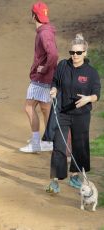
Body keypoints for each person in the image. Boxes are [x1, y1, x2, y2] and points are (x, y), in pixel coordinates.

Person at [46, 34, 101, 193]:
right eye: (72, 52)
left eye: (78, 53)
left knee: (80, 146)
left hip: (81, 115)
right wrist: (54, 89)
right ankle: (55, 181)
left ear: (85, 53)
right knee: (59, 146)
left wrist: (88, 99)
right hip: (63, 112)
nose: (74, 56)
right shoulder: (63, 65)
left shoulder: (91, 73)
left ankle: (75, 176)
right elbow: (55, 80)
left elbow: (97, 94)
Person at [19, 1, 58, 153]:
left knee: (29, 107)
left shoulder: (43, 33)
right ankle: (49, 140)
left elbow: (53, 54)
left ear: (34, 15)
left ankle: (36, 144)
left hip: (41, 78)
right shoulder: (47, 30)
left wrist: (44, 68)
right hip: (48, 78)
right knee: (45, 108)